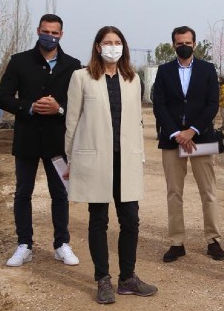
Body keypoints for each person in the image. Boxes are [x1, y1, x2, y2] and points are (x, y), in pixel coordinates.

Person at [64, 26, 157, 304]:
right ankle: (102, 279)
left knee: (130, 220)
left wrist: (140, 154)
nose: (113, 47)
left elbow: (137, 123)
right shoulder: (81, 77)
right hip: (95, 161)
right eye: (108, 42)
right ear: (97, 47)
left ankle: (127, 278)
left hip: (125, 160)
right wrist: (70, 158)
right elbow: (72, 120)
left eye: (117, 42)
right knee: (99, 220)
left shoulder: (132, 79)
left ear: (123, 47)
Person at [0, 14, 81, 267]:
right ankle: (24, 244)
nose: (50, 36)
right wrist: (29, 107)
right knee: (23, 192)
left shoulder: (73, 65)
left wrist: (60, 109)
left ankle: (61, 244)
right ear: (38, 30)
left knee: (60, 193)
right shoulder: (19, 61)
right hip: (27, 139)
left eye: (55, 33)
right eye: (46, 31)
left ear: (61, 35)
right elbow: (3, 97)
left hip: (57, 141)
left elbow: (78, 102)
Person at [153, 26, 224, 263]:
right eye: (178, 42)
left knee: (209, 192)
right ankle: (177, 242)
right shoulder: (164, 71)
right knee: (174, 193)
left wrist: (192, 131)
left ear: (194, 44)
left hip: (201, 139)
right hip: (172, 140)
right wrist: (176, 133)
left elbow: (212, 104)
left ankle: (213, 240)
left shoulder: (207, 69)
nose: (183, 45)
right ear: (173, 45)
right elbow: (159, 105)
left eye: (187, 42)